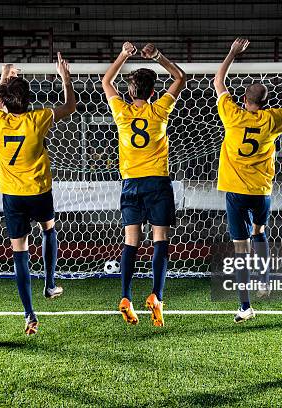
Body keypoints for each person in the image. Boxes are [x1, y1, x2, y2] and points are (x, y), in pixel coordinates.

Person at [213, 38, 282, 323]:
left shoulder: (231, 114)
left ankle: (245, 306)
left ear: (244, 101)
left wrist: (232, 52)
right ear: (266, 103)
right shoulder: (272, 119)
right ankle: (264, 280)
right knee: (259, 230)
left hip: (235, 191)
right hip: (261, 190)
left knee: (240, 247)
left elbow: (218, 81)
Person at [101, 42, 186, 327]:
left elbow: (105, 81)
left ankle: (126, 296)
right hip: (158, 183)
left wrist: (124, 55)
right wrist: (159, 56)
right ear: (153, 93)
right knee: (160, 238)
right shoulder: (160, 109)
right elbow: (180, 78)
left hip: (131, 184)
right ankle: (156, 297)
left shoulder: (122, 113)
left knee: (131, 241)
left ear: (129, 92)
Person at [0, 53, 76, 335]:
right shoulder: (39, 118)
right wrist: (64, 76)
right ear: (29, 101)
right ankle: (50, 284)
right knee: (49, 230)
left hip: (13, 196)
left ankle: (29, 315)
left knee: (20, 253)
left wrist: (5, 74)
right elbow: (70, 106)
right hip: (39, 191)